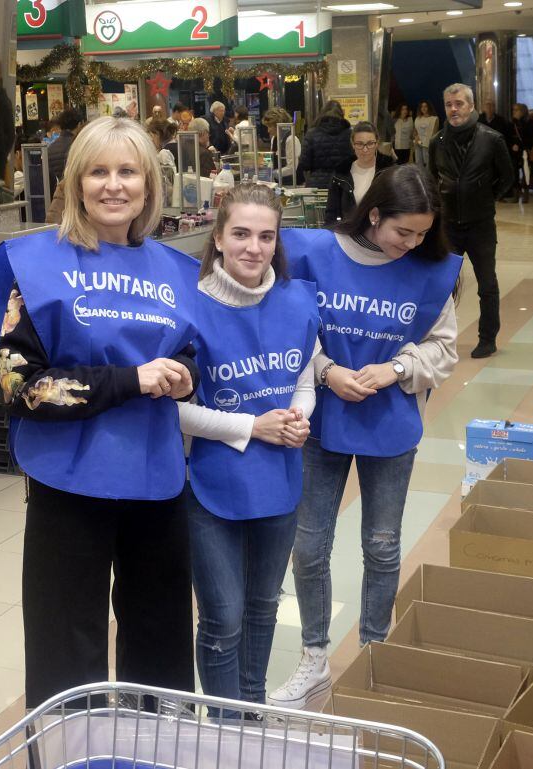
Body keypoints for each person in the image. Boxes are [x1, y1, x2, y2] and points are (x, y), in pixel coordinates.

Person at [0, 116, 201, 706]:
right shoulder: (33, 267)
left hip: (155, 483)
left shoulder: (178, 271)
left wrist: (185, 376)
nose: (114, 185)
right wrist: (131, 380)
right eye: (98, 171)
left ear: (149, 185)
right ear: (76, 184)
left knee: (161, 644)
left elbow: (189, 351)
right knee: (64, 651)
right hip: (67, 486)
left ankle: (155, 750)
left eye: (128, 171)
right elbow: (20, 386)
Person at [268, 165, 461, 710]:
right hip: (320, 420)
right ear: (374, 214)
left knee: (381, 545)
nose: (412, 244)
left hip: (390, 423)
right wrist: (327, 370)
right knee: (308, 545)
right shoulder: (313, 254)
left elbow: (444, 348)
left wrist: (395, 370)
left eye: (423, 233)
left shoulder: (431, 271)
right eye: (403, 231)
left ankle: (376, 650)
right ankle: (313, 658)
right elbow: (283, 328)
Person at [180, 183, 320, 713]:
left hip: (280, 480)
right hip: (210, 483)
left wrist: (296, 419)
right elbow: (171, 410)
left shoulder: (298, 301)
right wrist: (249, 427)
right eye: (240, 233)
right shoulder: (188, 306)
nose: (253, 248)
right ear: (217, 238)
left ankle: (251, 709)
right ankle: (221, 725)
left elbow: (304, 381)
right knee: (224, 615)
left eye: (266, 236)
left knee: (264, 606)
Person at [429, 83, 514, 359]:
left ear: (471, 105)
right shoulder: (437, 142)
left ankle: (487, 339)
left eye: (459, 104)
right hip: (449, 225)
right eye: (449, 105)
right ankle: (438, 340)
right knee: (442, 285)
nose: (454, 110)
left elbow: (508, 178)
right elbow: (432, 178)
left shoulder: (491, 139)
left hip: (480, 225)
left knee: (487, 283)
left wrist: (486, 198)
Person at [325, 121, 395, 224]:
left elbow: (397, 208)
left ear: (377, 143)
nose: (365, 149)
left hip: (380, 234)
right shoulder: (340, 173)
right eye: (359, 144)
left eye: (370, 143)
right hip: (348, 234)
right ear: (352, 144)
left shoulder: (389, 170)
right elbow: (331, 213)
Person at [298, 100, 352, 191]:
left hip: (316, 186)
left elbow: (304, 164)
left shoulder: (312, 133)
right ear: (342, 114)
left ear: (322, 113)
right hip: (342, 184)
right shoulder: (350, 134)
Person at [46, 108, 84, 198]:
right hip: (74, 198)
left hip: (55, 197)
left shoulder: (50, 148)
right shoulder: (78, 147)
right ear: (79, 125)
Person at [261, 107, 302, 185]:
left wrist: (273, 173)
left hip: (293, 184)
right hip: (278, 183)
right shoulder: (274, 139)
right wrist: (265, 168)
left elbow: (292, 168)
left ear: (279, 125)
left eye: (270, 126)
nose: (268, 131)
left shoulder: (291, 139)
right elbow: (271, 159)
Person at [508, 103, 533, 203]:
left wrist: (520, 146)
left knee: (526, 173)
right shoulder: (512, 122)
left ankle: (526, 195)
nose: (514, 112)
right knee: (514, 172)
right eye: (513, 110)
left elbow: (529, 137)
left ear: (522, 111)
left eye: (517, 110)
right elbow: (508, 135)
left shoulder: (528, 122)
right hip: (514, 152)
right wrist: (512, 145)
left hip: (525, 151)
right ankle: (516, 194)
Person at [413, 100, 439, 171]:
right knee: (418, 163)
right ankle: (420, 179)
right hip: (418, 142)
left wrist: (432, 145)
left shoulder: (434, 119)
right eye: (422, 107)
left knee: (428, 163)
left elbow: (435, 133)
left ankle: (428, 180)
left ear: (429, 107)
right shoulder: (417, 118)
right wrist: (416, 137)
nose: (423, 108)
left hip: (427, 144)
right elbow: (415, 131)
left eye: (425, 106)